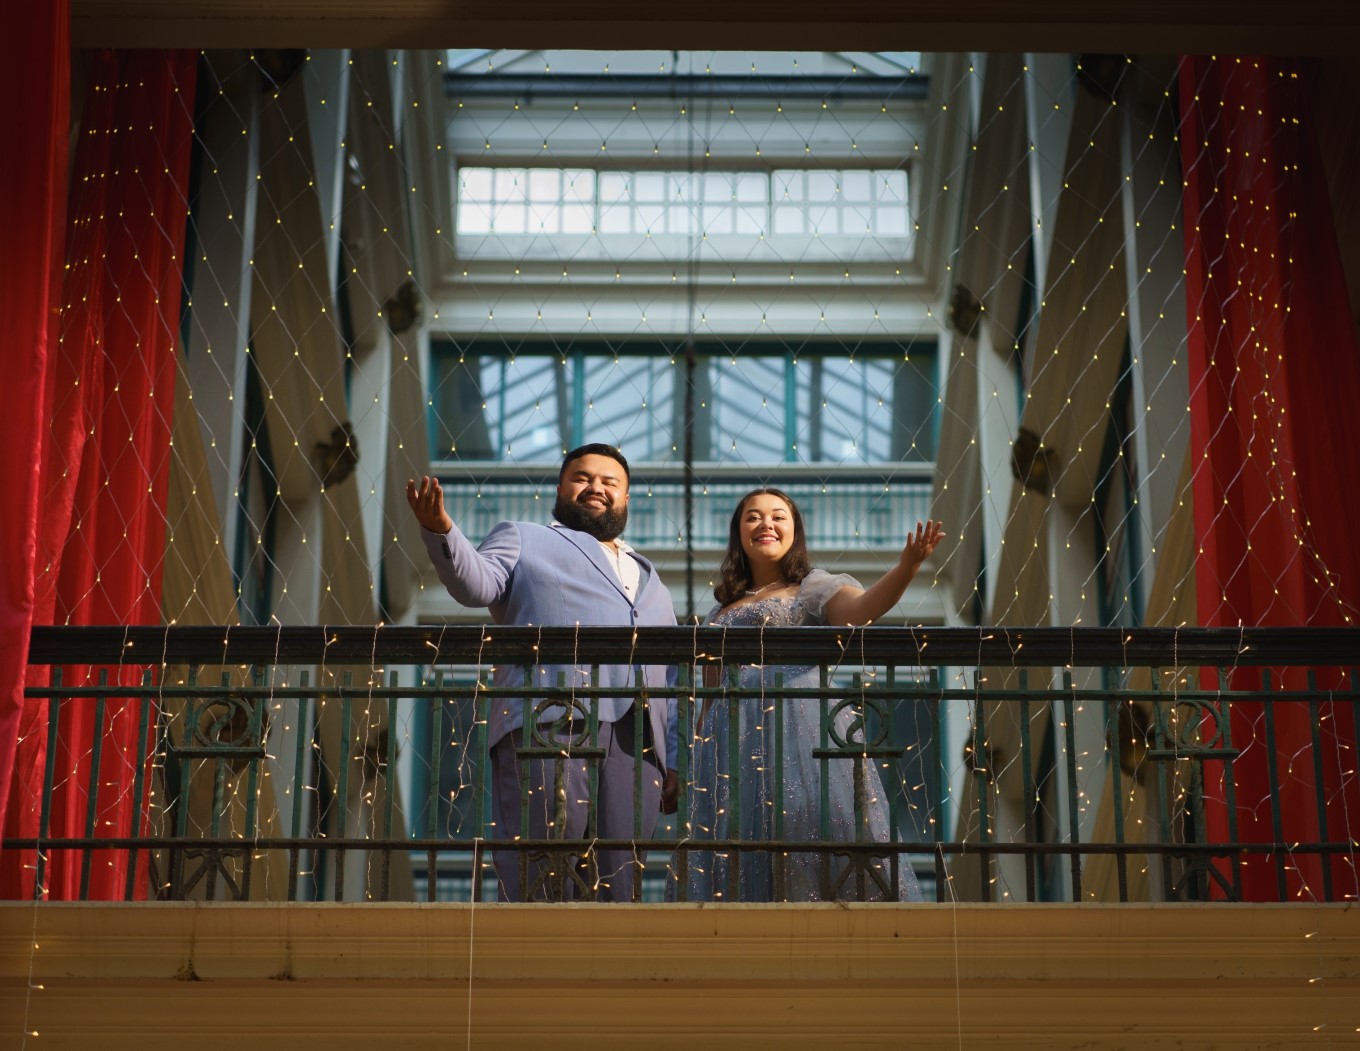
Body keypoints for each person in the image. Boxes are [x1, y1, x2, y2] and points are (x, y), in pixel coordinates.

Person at [407, 444, 678, 902]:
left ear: (627, 498)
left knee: (621, 874)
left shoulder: (650, 576)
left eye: (610, 482)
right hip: (551, 719)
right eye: (582, 477)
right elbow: (477, 585)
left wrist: (672, 759)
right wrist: (441, 530)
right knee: (546, 855)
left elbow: (671, 676)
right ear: (560, 488)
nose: (596, 487)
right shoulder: (524, 536)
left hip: (637, 742)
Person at [677, 487, 944, 903]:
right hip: (730, 734)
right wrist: (694, 751)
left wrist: (907, 568)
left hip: (797, 722)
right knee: (743, 833)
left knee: (809, 820)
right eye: (753, 516)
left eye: (778, 516)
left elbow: (864, 610)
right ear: (739, 534)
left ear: (794, 531)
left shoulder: (812, 587)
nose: (765, 523)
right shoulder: (719, 610)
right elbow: (710, 688)